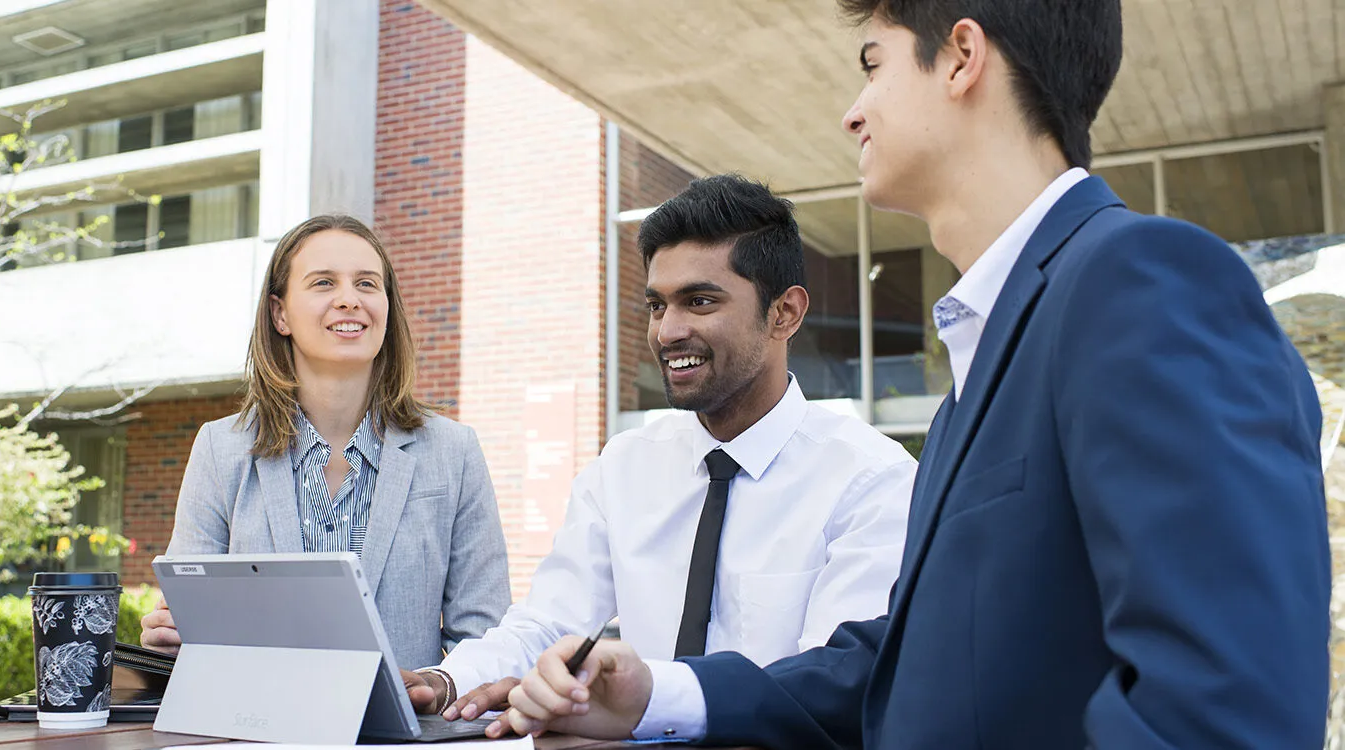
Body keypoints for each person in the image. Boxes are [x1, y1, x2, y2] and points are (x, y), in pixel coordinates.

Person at [499, 1, 1331, 747]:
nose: (852, 111)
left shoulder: (1142, 280)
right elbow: (895, 666)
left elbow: (1225, 709)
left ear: (963, 57)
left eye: (874, 63)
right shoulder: (987, 363)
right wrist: (659, 696)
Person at [402, 173, 917, 724]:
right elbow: (549, 624)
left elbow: (833, 685)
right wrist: (446, 679)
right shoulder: (623, 467)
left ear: (783, 313)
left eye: (699, 301)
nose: (667, 331)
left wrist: (651, 697)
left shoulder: (873, 481)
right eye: (656, 305)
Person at [140, 214, 511, 675]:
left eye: (367, 284)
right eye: (323, 283)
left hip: (402, 740)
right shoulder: (221, 448)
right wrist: (170, 637)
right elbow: (186, 619)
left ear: (387, 307)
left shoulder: (453, 452)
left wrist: (440, 686)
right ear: (280, 314)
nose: (349, 300)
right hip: (257, 731)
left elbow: (485, 638)